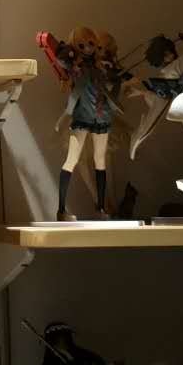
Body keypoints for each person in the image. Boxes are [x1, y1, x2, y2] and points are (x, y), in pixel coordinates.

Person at [128, 26, 183, 219]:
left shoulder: (169, 70)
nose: (170, 55)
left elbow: (162, 92)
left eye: (169, 51)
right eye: (166, 53)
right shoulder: (175, 67)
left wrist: (143, 91)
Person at [37, 28, 123, 221]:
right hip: (82, 117)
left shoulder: (98, 66)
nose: (87, 49)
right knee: (73, 160)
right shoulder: (75, 66)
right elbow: (63, 65)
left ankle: (101, 208)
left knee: (100, 160)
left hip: (100, 116)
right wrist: (71, 60)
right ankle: (61, 210)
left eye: (91, 44)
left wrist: (112, 76)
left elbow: (110, 87)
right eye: (81, 45)